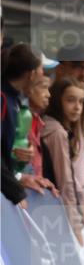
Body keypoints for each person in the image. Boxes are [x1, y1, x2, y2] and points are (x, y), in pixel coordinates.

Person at [40, 77, 84, 245]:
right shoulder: (57, 132)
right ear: (57, 101)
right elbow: (65, 179)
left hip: (65, 207)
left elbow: (82, 161)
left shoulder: (73, 129)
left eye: (81, 101)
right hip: (57, 209)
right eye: (71, 100)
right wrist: (75, 222)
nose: (77, 107)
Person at [2, 42, 58, 204]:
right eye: (42, 70)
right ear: (32, 74)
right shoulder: (3, 99)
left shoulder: (13, 100)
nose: (43, 74)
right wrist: (16, 192)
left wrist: (20, 175)